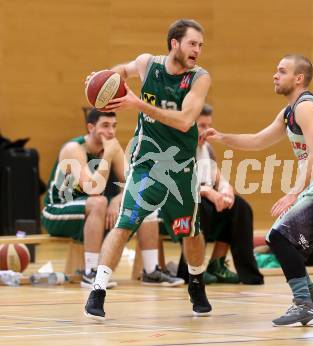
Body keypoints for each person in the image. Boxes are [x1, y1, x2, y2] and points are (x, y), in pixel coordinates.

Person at [204, 54, 313, 326]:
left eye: (281, 71)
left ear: (298, 78)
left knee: (279, 236)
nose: (275, 75)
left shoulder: (306, 107)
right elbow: (258, 140)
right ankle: (310, 292)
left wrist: (294, 192)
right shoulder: (289, 112)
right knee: (282, 239)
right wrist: (222, 137)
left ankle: (304, 303)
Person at [84, 19, 212, 320]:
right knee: (125, 224)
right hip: (146, 165)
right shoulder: (147, 64)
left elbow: (184, 121)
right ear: (174, 44)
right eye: (193, 43)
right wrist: (100, 79)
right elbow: (120, 71)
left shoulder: (199, 78)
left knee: (189, 231)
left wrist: (138, 104)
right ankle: (98, 290)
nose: (197, 50)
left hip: (180, 167)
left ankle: (196, 280)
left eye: (201, 45)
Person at [41, 108, 123, 289]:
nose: (111, 131)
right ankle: (90, 273)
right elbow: (93, 189)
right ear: (90, 127)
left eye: (114, 126)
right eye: (105, 126)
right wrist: (108, 155)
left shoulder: (111, 147)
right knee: (99, 201)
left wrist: (117, 200)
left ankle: (151, 270)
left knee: (134, 205)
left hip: (88, 212)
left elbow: (133, 183)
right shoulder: (74, 149)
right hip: (56, 211)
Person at [193, 104, 263, 284]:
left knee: (240, 208)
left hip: (206, 197)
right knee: (203, 209)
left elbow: (218, 177)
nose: (206, 131)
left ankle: (220, 264)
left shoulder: (207, 148)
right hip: (185, 201)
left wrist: (226, 191)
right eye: (201, 125)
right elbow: (180, 185)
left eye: (209, 125)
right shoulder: (179, 148)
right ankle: (193, 269)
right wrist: (209, 193)